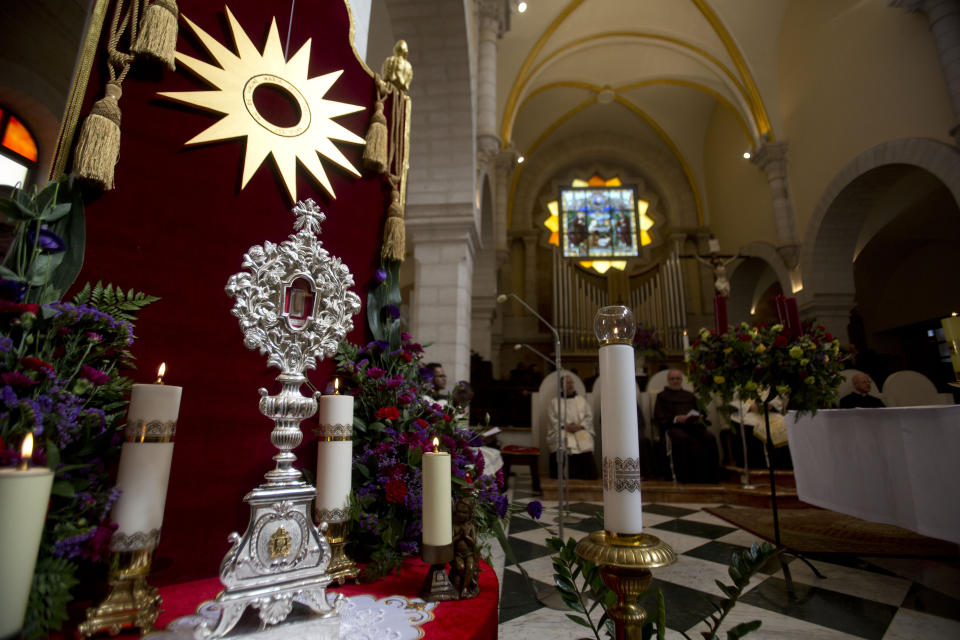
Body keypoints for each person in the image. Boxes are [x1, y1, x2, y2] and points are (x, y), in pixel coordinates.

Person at [652, 370, 719, 483]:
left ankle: (708, 476)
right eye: (672, 379)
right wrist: (676, 418)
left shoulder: (689, 395)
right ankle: (686, 477)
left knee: (709, 438)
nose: (675, 381)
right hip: (673, 427)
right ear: (668, 380)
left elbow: (701, 412)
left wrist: (697, 417)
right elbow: (659, 416)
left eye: (678, 378)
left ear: (681, 380)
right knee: (683, 439)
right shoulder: (662, 396)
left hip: (692, 426)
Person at [546, 375, 598, 480]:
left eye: (571, 383)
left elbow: (588, 416)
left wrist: (581, 425)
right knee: (561, 440)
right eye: (567, 383)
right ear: (561, 386)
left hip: (580, 429)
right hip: (563, 430)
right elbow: (552, 419)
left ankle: (586, 475)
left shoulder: (582, 400)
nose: (570, 385)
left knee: (586, 438)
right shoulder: (554, 402)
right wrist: (565, 426)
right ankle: (561, 475)